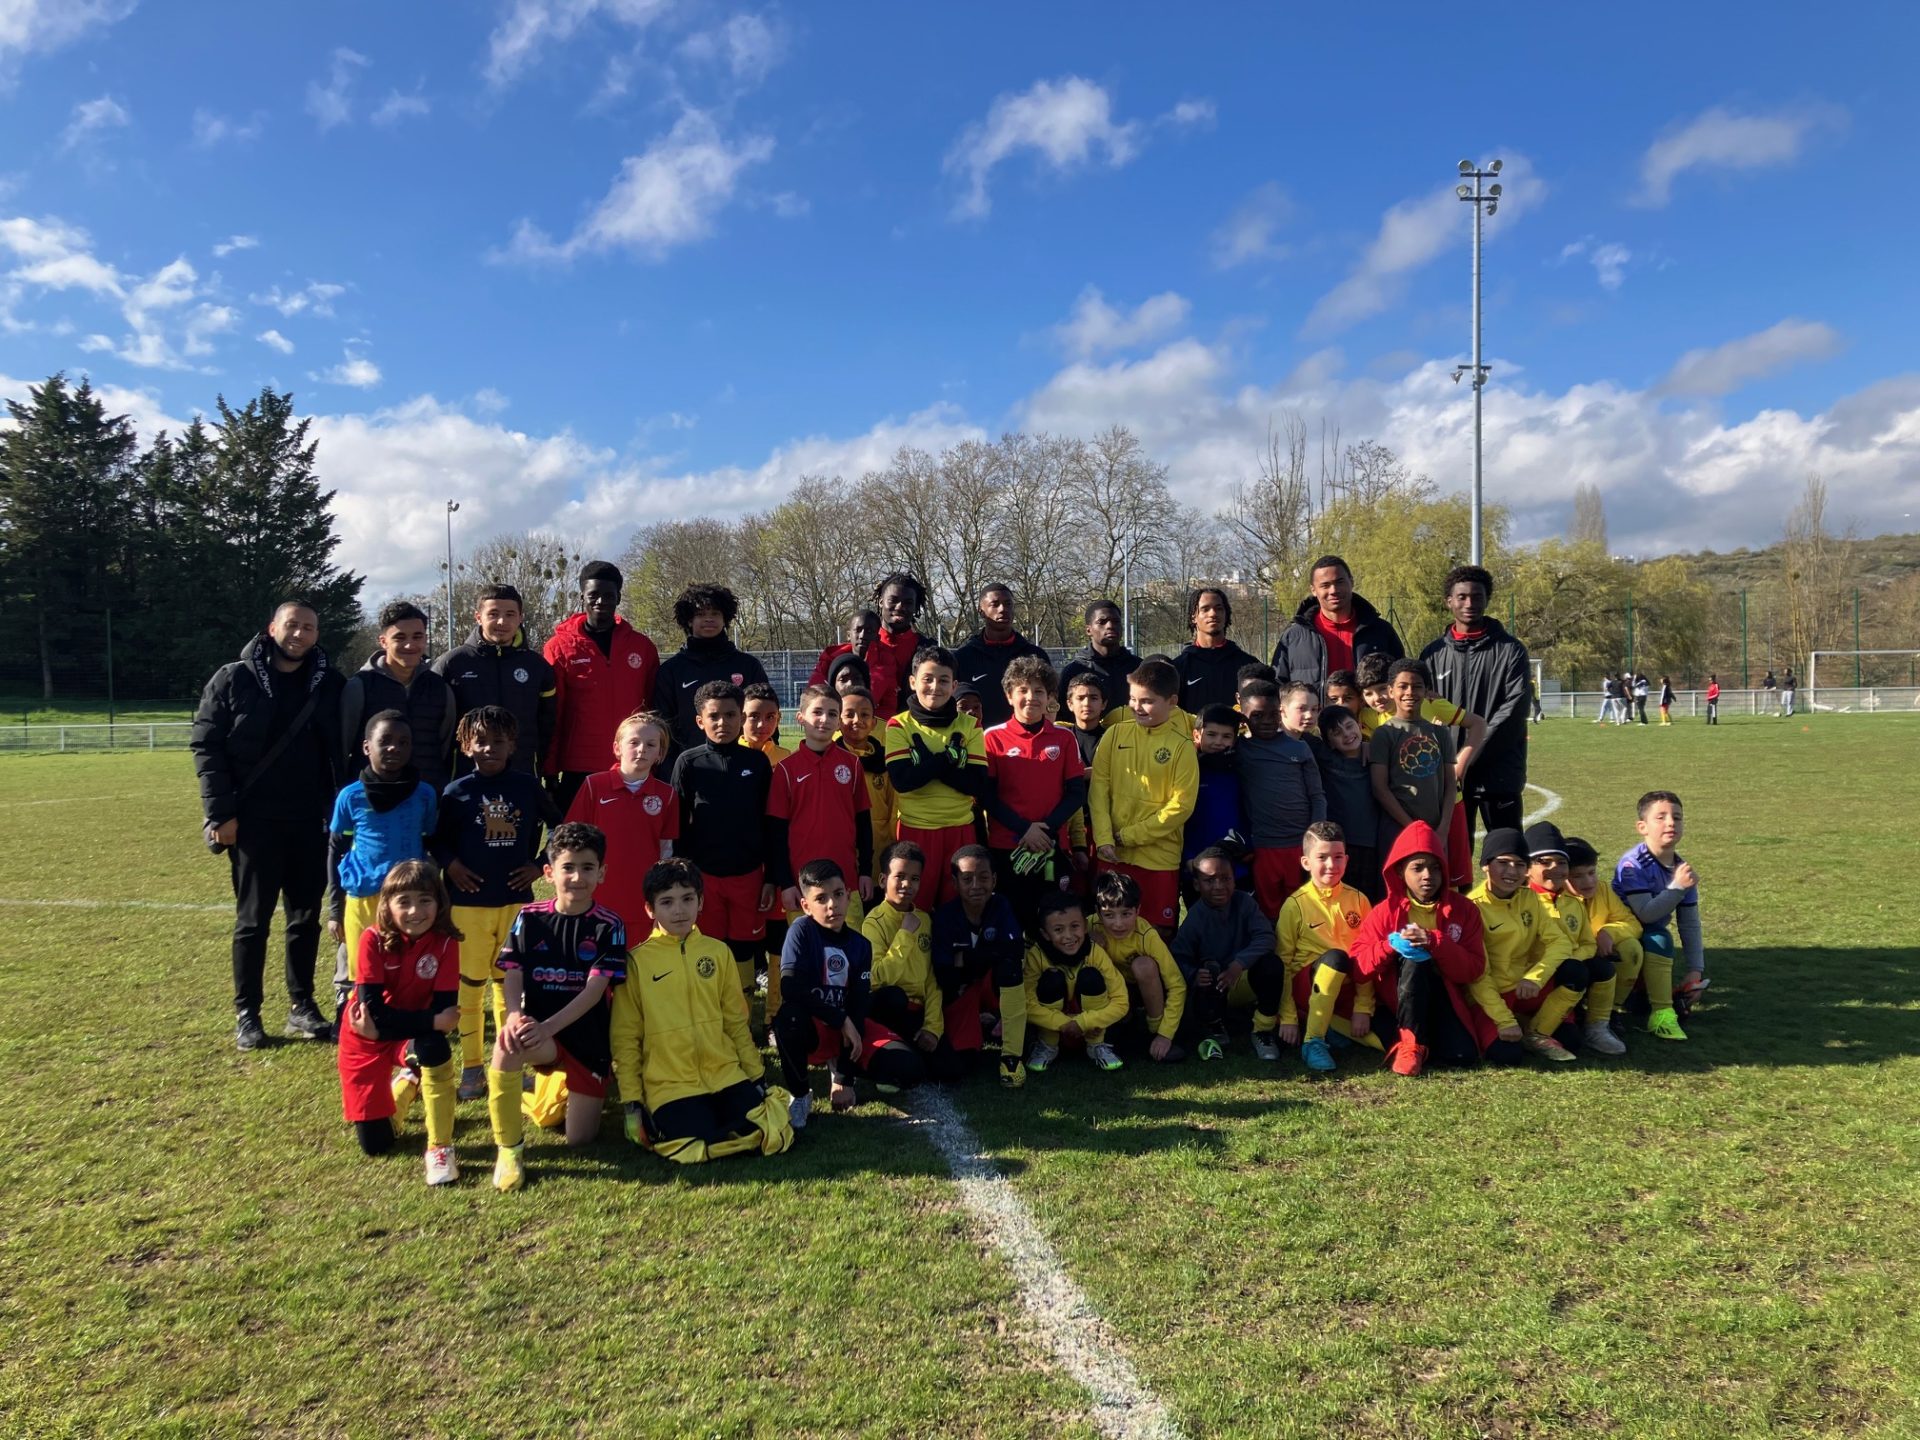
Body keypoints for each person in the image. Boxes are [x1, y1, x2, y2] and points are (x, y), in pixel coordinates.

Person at [191, 600, 345, 1050]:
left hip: (312, 822)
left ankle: (302, 1006)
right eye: (292, 625)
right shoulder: (233, 678)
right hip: (252, 822)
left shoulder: (331, 683)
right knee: (252, 921)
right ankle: (248, 1014)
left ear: (317, 635)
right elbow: (206, 746)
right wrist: (221, 814)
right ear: (272, 628)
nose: (299, 634)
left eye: (308, 628)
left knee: (305, 919)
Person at [608, 859, 793, 1164]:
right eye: (667, 902)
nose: (679, 910)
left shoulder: (718, 953)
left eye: (687, 899)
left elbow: (736, 1022)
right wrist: (632, 1102)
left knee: (761, 1131)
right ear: (650, 909)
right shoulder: (636, 963)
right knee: (696, 1138)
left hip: (725, 1074)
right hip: (670, 1084)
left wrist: (756, 1077)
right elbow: (625, 1038)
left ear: (701, 902)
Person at [485, 822, 629, 1191]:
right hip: (542, 1036)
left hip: (588, 1042)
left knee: (578, 1139)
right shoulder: (529, 917)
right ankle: (509, 1150)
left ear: (602, 873)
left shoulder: (610, 925)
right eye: (568, 867)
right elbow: (512, 971)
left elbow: (594, 992)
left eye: (587, 867)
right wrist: (514, 1015)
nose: (577, 877)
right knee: (507, 1043)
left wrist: (546, 1027)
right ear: (549, 872)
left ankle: (555, 1090)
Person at [434, 706, 546, 1099]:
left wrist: (539, 865)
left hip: (514, 905)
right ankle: (471, 1069)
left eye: (498, 741)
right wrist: (452, 866)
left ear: (512, 745)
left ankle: (507, 1061)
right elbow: (437, 840)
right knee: (470, 989)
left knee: (509, 987)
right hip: (468, 905)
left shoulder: (527, 787)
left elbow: (563, 824)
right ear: (466, 746)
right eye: (480, 741)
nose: (489, 748)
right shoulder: (456, 792)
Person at [335, 860, 462, 1182]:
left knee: (434, 1049)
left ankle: (440, 1148)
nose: (415, 911)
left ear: (439, 903)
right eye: (403, 901)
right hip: (364, 1039)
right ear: (387, 906)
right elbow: (374, 1014)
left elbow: (445, 1013)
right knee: (376, 1145)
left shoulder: (447, 943)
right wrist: (431, 1021)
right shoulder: (371, 939)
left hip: (403, 1035)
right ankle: (406, 1085)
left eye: (425, 900)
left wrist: (420, 1024)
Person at [775, 859, 924, 1126]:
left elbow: (858, 1004)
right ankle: (800, 1095)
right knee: (788, 1017)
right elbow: (790, 987)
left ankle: (840, 1066)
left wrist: (845, 1078)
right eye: (821, 898)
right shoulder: (801, 931)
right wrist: (839, 1019)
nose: (832, 904)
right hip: (815, 1029)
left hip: (849, 1031)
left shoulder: (860, 945)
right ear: (806, 906)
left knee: (909, 1069)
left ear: (849, 895)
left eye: (838, 894)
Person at [1348, 821, 1491, 1075]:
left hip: (1444, 998)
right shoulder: (1383, 912)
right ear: (1400, 870)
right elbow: (1358, 968)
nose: (1427, 875)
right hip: (1398, 1004)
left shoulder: (1464, 910)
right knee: (1413, 956)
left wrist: (1435, 941)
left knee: (1462, 1057)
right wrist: (1389, 945)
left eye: (1435, 867)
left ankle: (1422, 1042)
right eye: (1418, 868)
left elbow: (1473, 970)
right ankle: (1411, 1044)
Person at [668, 681, 774, 1010]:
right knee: (708, 945)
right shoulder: (688, 762)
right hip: (704, 876)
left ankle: (742, 1016)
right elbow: (676, 824)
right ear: (700, 720)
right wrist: (682, 874)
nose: (722, 723)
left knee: (743, 948)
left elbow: (770, 822)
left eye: (730, 715)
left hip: (748, 874)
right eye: (713, 716)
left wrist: (770, 876)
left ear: (741, 717)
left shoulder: (757, 764)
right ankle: (709, 1011)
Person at [327, 711, 439, 1011]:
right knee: (364, 975)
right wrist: (335, 909)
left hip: (409, 900)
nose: (394, 748)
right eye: (385, 741)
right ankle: (359, 1020)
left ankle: (408, 1024)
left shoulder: (425, 794)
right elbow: (336, 849)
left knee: (406, 972)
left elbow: (431, 843)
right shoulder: (350, 796)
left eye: (403, 742)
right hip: (364, 899)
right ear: (367, 747)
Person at [1419, 565, 1531, 845]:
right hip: (1449, 774)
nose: (1469, 603)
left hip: (1499, 772)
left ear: (1487, 600)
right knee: (1455, 854)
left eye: (1477, 596)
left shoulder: (1511, 650)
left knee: (1507, 852)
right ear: (1449, 601)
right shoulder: (1432, 654)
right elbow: (1422, 709)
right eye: (1462, 597)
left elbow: (1514, 708)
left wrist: (1468, 756)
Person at [1091, 655, 1199, 935]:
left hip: (1158, 859)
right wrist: (1104, 838)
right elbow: (1098, 790)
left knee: (1156, 935)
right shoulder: (1114, 735)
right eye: (1133, 699)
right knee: (1109, 932)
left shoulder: (1182, 746)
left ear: (1172, 702)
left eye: (1147, 701)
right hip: (1113, 854)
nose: (1137, 707)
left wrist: (1130, 836)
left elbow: (1181, 806)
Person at [544, 562, 661, 816]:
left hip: (632, 761)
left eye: (608, 595)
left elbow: (654, 710)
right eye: (593, 595)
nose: (601, 601)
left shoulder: (642, 647)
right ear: (582, 597)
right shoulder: (559, 647)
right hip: (579, 765)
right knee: (578, 837)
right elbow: (553, 713)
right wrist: (550, 770)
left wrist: (655, 757)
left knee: (627, 834)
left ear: (618, 597)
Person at [1259, 821, 1376, 1072]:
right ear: (1306, 862)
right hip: (1307, 990)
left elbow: (1367, 957)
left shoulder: (1360, 900)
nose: (1331, 865)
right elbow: (1283, 963)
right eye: (1322, 857)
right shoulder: (1295, 904)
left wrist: (1363, 1008)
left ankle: (1332, 1026)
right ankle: (1313, 1040)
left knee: (1383, 1042)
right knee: (1336, 958)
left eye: (1338, 857)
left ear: (1347, 859)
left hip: (1345, 993)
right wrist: (1288, 1017)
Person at [982, 655, 1088, 924]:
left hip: (1051, 845)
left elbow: (1076, 792)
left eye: (1039, 691)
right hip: (1009, 846)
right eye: (1023, 690)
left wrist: (1046, 829)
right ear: (1009, 696)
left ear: (1050, 697)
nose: (1031, 697)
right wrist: (1024, 829)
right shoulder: (992, 738)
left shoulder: (1064, 738)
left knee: (1054, 920)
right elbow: (987, 796)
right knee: (1013, 919)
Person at [1466, 828, 1582, 1063]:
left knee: (1576, 974)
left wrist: (1535, 978)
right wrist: (1504, 1020)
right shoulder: (1472, 908)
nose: (1512, 871)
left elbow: (1560, 942)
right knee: (1507, 1055)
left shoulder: (1529, 898)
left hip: (1525, 989)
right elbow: (1477, 975)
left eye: (1520, 864)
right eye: (1503, 863)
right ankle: (1515, 1022)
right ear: (1485, 865)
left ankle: (1536, 1031)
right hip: (1492, 996)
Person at [563, 710, 679, 942]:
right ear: (617, 748)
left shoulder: (667, 795)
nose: (641, 749)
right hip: (597, 895)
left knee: (636, 958)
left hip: (642, 897)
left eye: (650, 744)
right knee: (593, 957)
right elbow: (570, 842)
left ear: (660, 753)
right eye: (634, 742)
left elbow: (666, 850)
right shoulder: (594, 785)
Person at [885, 645, 988, 907]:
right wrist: (949, 758)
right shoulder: (898, 725)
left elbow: (976, 783)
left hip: (960, 830)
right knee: (915, 908)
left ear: (954, 685)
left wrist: (927, 764)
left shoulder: (970, 724)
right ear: (912, 682)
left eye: (943, 680)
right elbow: (903, 782)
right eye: (927, 679)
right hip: (916, 831)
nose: (935, 687)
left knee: (959, 909)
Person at [768, 685, 874, 929]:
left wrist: (866, 871)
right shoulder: (785, 770)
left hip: (846, 883)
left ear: (839, 722)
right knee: (807, 948)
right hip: (803, 886)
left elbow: (863, 822)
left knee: (849, 946)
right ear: (800, 717)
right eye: (817, 712)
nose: (825, 719)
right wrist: (786, 883)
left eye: (832, 714)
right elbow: (776, 833)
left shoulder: (852, 764)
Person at [1565, 836, 1682, 1042]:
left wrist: (1608, 932)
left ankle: (1610, 1011)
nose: (1589, 881)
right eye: (1578, 876)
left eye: (1592, 872)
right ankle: (1572, 1010)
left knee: (1631, 948)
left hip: (1598, 961)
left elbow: (1631, 923)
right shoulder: (1558, 899)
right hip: (1573, 961)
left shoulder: (1603, 890)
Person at [433, 584, 556, 780]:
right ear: (478, 617)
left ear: (520, 618)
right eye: (493, 614)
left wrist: (538, 765)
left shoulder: (537, 667)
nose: (502, 621)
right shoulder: (451, 663)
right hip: (466, 778)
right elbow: (433, 725)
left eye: (510, 614)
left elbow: (547, 725)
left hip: (521, 776)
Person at [862, 842, 962, 1082]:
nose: (907, 884)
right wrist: (905, 935)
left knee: (951, 1072)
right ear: (883, 880)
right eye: (900, 877)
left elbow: (931, 978)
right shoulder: (873, 922)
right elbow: (878, 977)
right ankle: (885, 1051)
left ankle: (910, 1050)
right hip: (887, 1008)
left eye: (914, 878)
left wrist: (932, 1028)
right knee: (895, 996)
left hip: (917, 1012)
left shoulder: (924, 920)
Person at [930, 845, 1030, 1085]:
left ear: (994, 880)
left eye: (983, 877)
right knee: (961, 1065)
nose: (976, 885)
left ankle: (1011, 1058)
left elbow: (1015, 949)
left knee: (1010, 968)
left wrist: (965, 958)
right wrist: (989, 955)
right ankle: (984, 1025)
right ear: (955, 883)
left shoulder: (1000, 905)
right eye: (967, 879)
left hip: (991, 986)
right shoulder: (945, 916)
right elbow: (944, 974)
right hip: (962, 993)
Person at [1526, 823, 1626, 1056]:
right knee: (1574, 971)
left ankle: (1597, 1027)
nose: (1555, 868)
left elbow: (1588, 943)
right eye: (1544, 862)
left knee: (1602, 967)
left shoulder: (1572, 902)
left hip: (1565, 977)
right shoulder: (1522, 901)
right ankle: (1534, 1032)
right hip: (1532, 981)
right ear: (1527, 868)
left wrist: (1571, 958)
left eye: (1561, 862)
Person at [340, 600, 459, 793]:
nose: (409, 645)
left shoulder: (441, 689)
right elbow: (344, 748)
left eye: (417, 636)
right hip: (371, 800)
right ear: (383, 641)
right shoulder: (359, 687)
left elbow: (444, 747)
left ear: (425, 639)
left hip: (426, 799)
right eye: (400, 637)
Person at [1613, 791, 1708, 1023]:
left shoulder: (1681, 868)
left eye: (1677, 817)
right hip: (1620, 936)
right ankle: (1611, 1009)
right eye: (1661, 817)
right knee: (1658, 937)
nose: (1671, 822)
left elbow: (1689, 924)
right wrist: (1677, 887)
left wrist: (1695, 971)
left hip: (1648, 939)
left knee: (1657, 937)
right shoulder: (1632, 864)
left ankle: (1654, 1001)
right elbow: (1645, 915)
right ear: (1642, 827)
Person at [1170, 847, 1274, 1059]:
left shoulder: (1245, 902)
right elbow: (1177, 956)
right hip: (1215, 987)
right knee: (1209, 969)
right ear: (1197, 885)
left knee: (1271, 965)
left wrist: (1239, 964)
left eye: (1225, 878)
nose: (1219, 886)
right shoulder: (1195, 918)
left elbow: (1266, 937)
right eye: (1209, 880)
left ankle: (1264, 1028)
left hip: (1242, 978)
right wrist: (1193, 974)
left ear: (1234, 880)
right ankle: (1213, 1023)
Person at [1238, 679, 1326, 920]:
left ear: (1280, 712)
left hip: (1300, 845)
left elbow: (1317, 796)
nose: (1266, 721)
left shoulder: (1299, 749)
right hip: (1263, 846)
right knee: (1269, 911)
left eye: (1272, 714)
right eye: (1257, 715)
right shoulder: (1240, 749)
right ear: (1243, 716)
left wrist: (1315, 838)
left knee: (1303, 909)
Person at [652, 583, 771, 753]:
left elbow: (766, 712)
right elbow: (662, 724)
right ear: (689, 620)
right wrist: (673, 764)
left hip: (742, 762)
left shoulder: (748, 665)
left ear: (725, 618)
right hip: (688, 763)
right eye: (700, 614)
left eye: (715, 613)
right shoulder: (672, 670)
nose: (709, 619)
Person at [1022, 892, 1129, 1073]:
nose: (1069, 936)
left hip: (1092, 1029)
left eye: (1075, 926)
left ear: (1085, 926)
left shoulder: (1095, 952)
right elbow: (1026, 1003)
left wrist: (1084, 1022)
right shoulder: (1036, 956)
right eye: (1058, 930)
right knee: (1051, 980)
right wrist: (1064, 1023)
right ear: (1045, 934)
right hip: (1055, 1028)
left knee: (1090, 977)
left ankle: (1097, 1045)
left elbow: (1121, 1001)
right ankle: (1047, 1045)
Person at [1269, 555, 1405, 693]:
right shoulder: (1293, 637)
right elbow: (1278, 687)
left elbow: (1401, 679)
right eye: (1325, 585)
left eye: (1339, 582)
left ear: (1351, 582)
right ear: (1313, 590)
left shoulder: (1381, 630)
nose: (1333, 590)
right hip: (1316, 708)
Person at [1092, 870, 1186, 1062]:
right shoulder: (1088, 927)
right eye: (1109, 915)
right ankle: (1109, 1029)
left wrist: (1165, 1034)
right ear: (1098, 913)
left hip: (1142, 990)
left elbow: (1177, 985)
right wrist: (1087, 942)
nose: (1118, 924)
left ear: (1138, 910)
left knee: (1144, 965)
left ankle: (1155, 1031)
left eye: (1126, 914)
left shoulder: (1147, 935)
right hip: (1113, 992)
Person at [1368, 660, 1456, 861]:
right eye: (1403, 686)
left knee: (1432, 878)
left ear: (1426, 691)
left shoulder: (1440, 733)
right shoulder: (1384, 733)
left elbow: (1451, 784)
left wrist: (1443, 829)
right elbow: (1379, 788)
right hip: (1398, 830)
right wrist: (1412, 828)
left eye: (1417, 686)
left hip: (1435, 831)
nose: (1410, 692)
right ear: (1391, 691)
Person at [954, 583, 1050, 728]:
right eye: (995, 604)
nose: (1003, 609)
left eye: (1008, 604)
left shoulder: (1035, 656)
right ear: (981, 611)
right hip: (976, 738)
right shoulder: (963, 658)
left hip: (1026, 738)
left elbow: (1050, 702)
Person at [1315, 704, 1383, 902]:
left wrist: (1368, 745)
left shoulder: (1377, 757)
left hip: (1373, 844)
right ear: (1329, 742)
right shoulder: (1326, 759)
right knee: (1343, 899)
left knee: (1369, 899)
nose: (1346, 734)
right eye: (1337, 733)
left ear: (1359, 725)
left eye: (1349, 726)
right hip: (1340, 845)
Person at [836, 685, 896, 884]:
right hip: (840, 851)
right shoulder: (830, 760)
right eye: (849, 714)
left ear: (873, 723)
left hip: (879, 851)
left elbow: (893, 809)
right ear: (838, 720)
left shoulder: (886, 762)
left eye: (864, 715)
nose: (857, 720)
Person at [1170, 587, 1259, 713]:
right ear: (1193, 617)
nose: (1213, 613)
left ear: (1226, 615)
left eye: (1219, 608)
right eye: (1205, 609)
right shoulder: (1178, 668)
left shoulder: (1248, 665)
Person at [1182, 703, 1245, 879]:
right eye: (1211, 734)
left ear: (1234, 739)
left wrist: (1246, 850)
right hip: (1193, 864)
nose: (1218, 742)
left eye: (1226, 736)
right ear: (1196, 735)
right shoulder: (1185, 769)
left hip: (1236, 866)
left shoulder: (1241, 771)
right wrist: (1187, 859)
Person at [1057, 599, 1141, 726]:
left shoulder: (1139, 668)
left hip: (1133, 737)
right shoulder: (1074, 671)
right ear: (1088, 630)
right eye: (1102, 622)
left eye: (1116, 621)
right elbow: (1063, 716)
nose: (1110, 626)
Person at [867, 572, 935, 718]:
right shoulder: (863, 644)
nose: (900, 607)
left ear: (915, 607)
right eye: (893, 600)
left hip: (914, 726)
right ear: (881, 601)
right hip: (868, 727)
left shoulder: (928, 649)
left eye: (908, 602)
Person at [808, 607, 881, 689]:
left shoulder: (886, 666)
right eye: (858, 630)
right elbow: (814, 694)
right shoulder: (827, 665)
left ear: (878, 638)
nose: (862, 636)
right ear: (849, 635)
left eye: (869, 631)